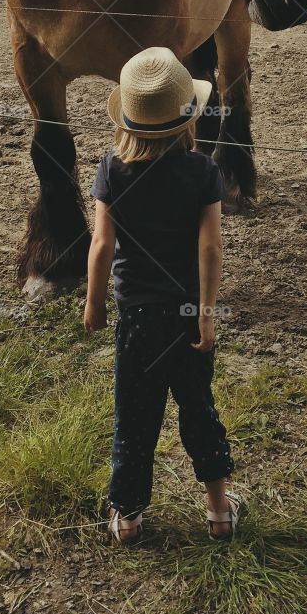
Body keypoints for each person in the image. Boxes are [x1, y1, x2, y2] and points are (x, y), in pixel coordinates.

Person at [83, 46, 239, 545]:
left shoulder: (112, 170)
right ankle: (218, 512)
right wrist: (207, 315)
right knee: (198, 408)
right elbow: (210, 246)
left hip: (137, 318)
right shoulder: (203, 172)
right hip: (189, 317)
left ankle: (127, 516)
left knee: (134, 414)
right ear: (188, 115)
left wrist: (95, 302)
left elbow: (102, 244)